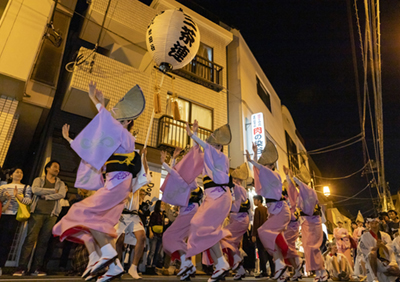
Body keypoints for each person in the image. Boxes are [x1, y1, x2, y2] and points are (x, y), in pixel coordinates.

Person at [52, 81, 147, 282]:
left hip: (117, 185)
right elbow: (93, 153)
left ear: (128, 120)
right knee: (97, 224)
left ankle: (105, 254)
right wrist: (70, 141)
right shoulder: (115, 140)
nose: (113, 117)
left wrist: (95, 100)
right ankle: (107, 262)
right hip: (116, 186)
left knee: (81, 212)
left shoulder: (126, 135)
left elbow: (106, 121)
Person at [185, 121, 233, 282]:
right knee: (203, 229)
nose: (211, 146)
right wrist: (194, 137)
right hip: (213, 197)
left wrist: (193, 134)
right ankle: (220, 264)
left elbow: (205, 147)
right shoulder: (212, 155)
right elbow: (200, 152)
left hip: (219, 197)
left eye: (213, 143)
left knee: (199, 224)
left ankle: (220, 263)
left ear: (219, 145)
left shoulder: (221, 156)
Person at [246, 141, 291, 281]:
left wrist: (252, 160)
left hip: (280, 210)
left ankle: (281, 262)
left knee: (263, 232)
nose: (263, 168)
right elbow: (257, 171)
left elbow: (260, 169)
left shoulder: (274, 175)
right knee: (273, 238)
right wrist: (254, 154)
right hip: (276, 211)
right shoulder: (268, 176)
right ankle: (282, 270)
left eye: (266, 164)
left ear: (271, 165)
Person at [13, 161, 66, 276]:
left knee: (43, 242)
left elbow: (62, 194)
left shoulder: (60, 183)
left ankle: (35, 268)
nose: (57, 170)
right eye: (55, 167)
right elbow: (35, 190)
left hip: (51, 215)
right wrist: (52, 191)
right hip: (37, 213)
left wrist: (47, 197)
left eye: (59, 168)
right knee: (30, 240)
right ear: (48, 168)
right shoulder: (39, 179)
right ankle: (22, 268)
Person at [160, 147, 203, 281]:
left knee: (168, 236)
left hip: (189, 212)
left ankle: (187, 263)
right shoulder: (190, 175)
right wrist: (173, 159)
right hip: (189, 211)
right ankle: (187, 264)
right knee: (177, 239)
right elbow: (176, 176)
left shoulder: (190, 177)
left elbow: (177, 177)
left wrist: (164, 163)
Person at [114, 147, 149, 279]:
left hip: (134, 215)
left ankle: (133, 267)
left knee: (142, 237)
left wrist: (144, 157)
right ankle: (117, 266)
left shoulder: (138, 179)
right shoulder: (121, 177)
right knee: (119, 240)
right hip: (121, 213)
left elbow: (145, 173)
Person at [293, 177, 328, 281]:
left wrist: (294, 177)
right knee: (308, 247)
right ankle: (318, 272)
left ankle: (322, 271)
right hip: (306, 222)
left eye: (299, 184)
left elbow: (308, 208)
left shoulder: (310, 192)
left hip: (314, 221)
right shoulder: (301, 195)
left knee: (314, 247)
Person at [219, 163, 250, 280]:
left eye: (235, 179)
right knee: (232, 244)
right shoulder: (237, 189)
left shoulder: (239, 188)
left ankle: (235, 262)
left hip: (239, 219)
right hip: (238, 219)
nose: (234, 181)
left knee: (223, 238)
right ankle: (240, 269)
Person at [0, 168, 32, 276]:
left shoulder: (25, 187)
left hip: (13, 215)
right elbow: (0, 199)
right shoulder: (3, 186)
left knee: (6, 242)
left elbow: (28, 201)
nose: (19, 174)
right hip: (2, 214)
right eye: (17, 172)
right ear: (11, 175)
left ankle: (1, 265)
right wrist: (5, 197)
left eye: (21, 172)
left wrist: (17, 196)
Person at [358, 217, 400, 282]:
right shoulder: (364, 237)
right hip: (373, 261)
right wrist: (376, 247)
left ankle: (387, 271)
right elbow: (366, 253)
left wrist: (382, 246)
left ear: (379, 223)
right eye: (372, 223)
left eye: (376, 223)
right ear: (369, 224)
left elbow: (390, 251)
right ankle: (375, 277)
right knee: (372, 253)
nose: (374, 225)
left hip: (386, 260)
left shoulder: (385, 235)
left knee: (397, 270)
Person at [283, 166, 304, 281]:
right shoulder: (288, 197)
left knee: (286, 247)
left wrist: (288, 176)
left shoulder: (293, 197)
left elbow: (291, 187)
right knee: (286, 248)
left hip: (291, 224)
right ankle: (294, 269)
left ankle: (294, 268)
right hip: (289, 224)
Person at [251, 195, 274, 278]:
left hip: (260, 234)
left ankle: (263, 271)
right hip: (268, 233)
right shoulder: (266, 209)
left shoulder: (258, 210)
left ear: (259, 201)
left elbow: (256, 223)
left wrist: (253, 234)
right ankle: (273, 271)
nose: (254, 202)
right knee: (269, 252)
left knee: (261, 252)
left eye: (255, 200)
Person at [146, 200, 166, 272]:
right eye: (162, 204)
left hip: (160, 235)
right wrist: (150, 232)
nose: (163, 206)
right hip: (154, 234)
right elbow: (150, 224)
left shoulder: (163, 215)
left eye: (164, 204)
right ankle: (149, 266)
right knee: (152, 251)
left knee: (157, 252)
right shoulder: (154, 214)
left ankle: (154, 266)